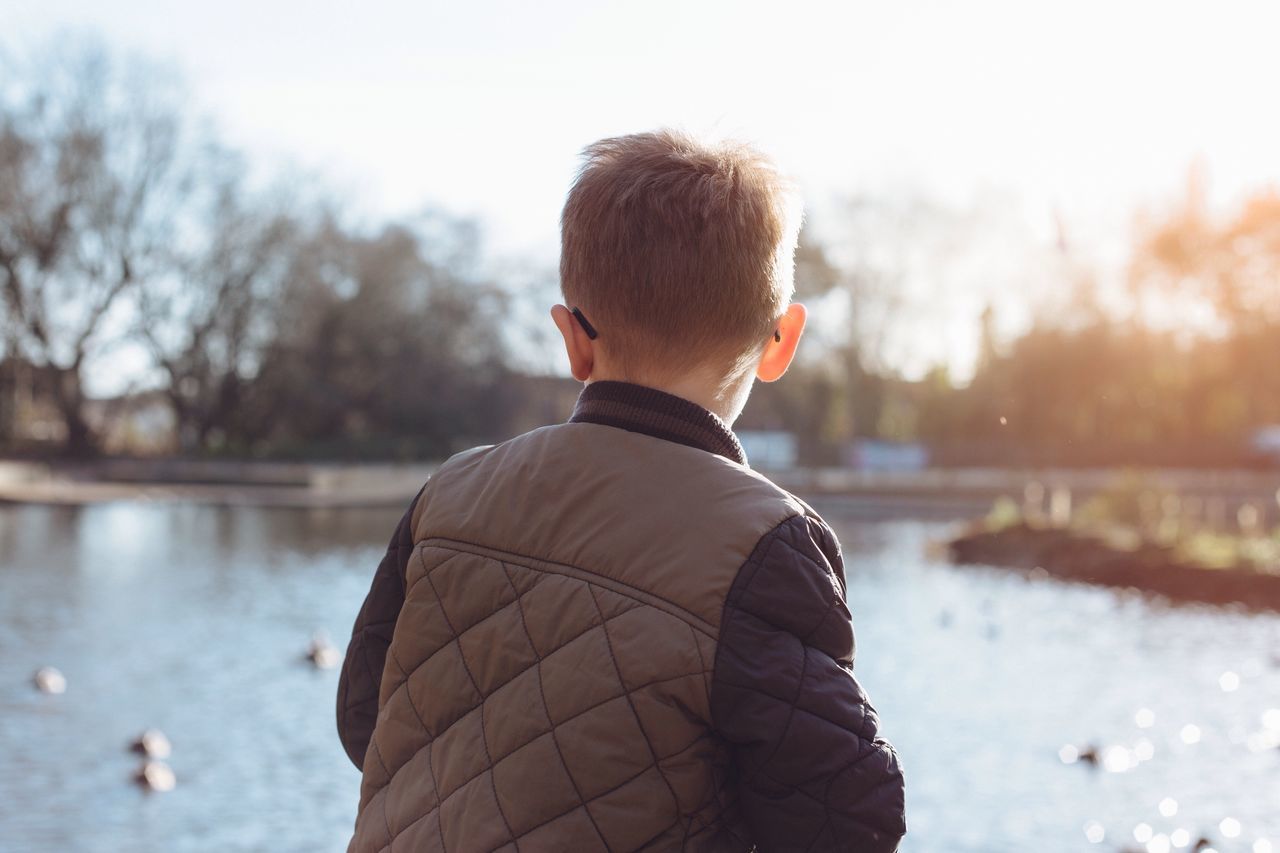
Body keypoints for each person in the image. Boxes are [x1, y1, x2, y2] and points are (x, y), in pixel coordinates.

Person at [337, 128, 907, 852]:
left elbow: (366, 716)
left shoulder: (451, 492)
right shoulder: (764, 543)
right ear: (780, 343)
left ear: (573, 339)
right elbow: (847, 815)